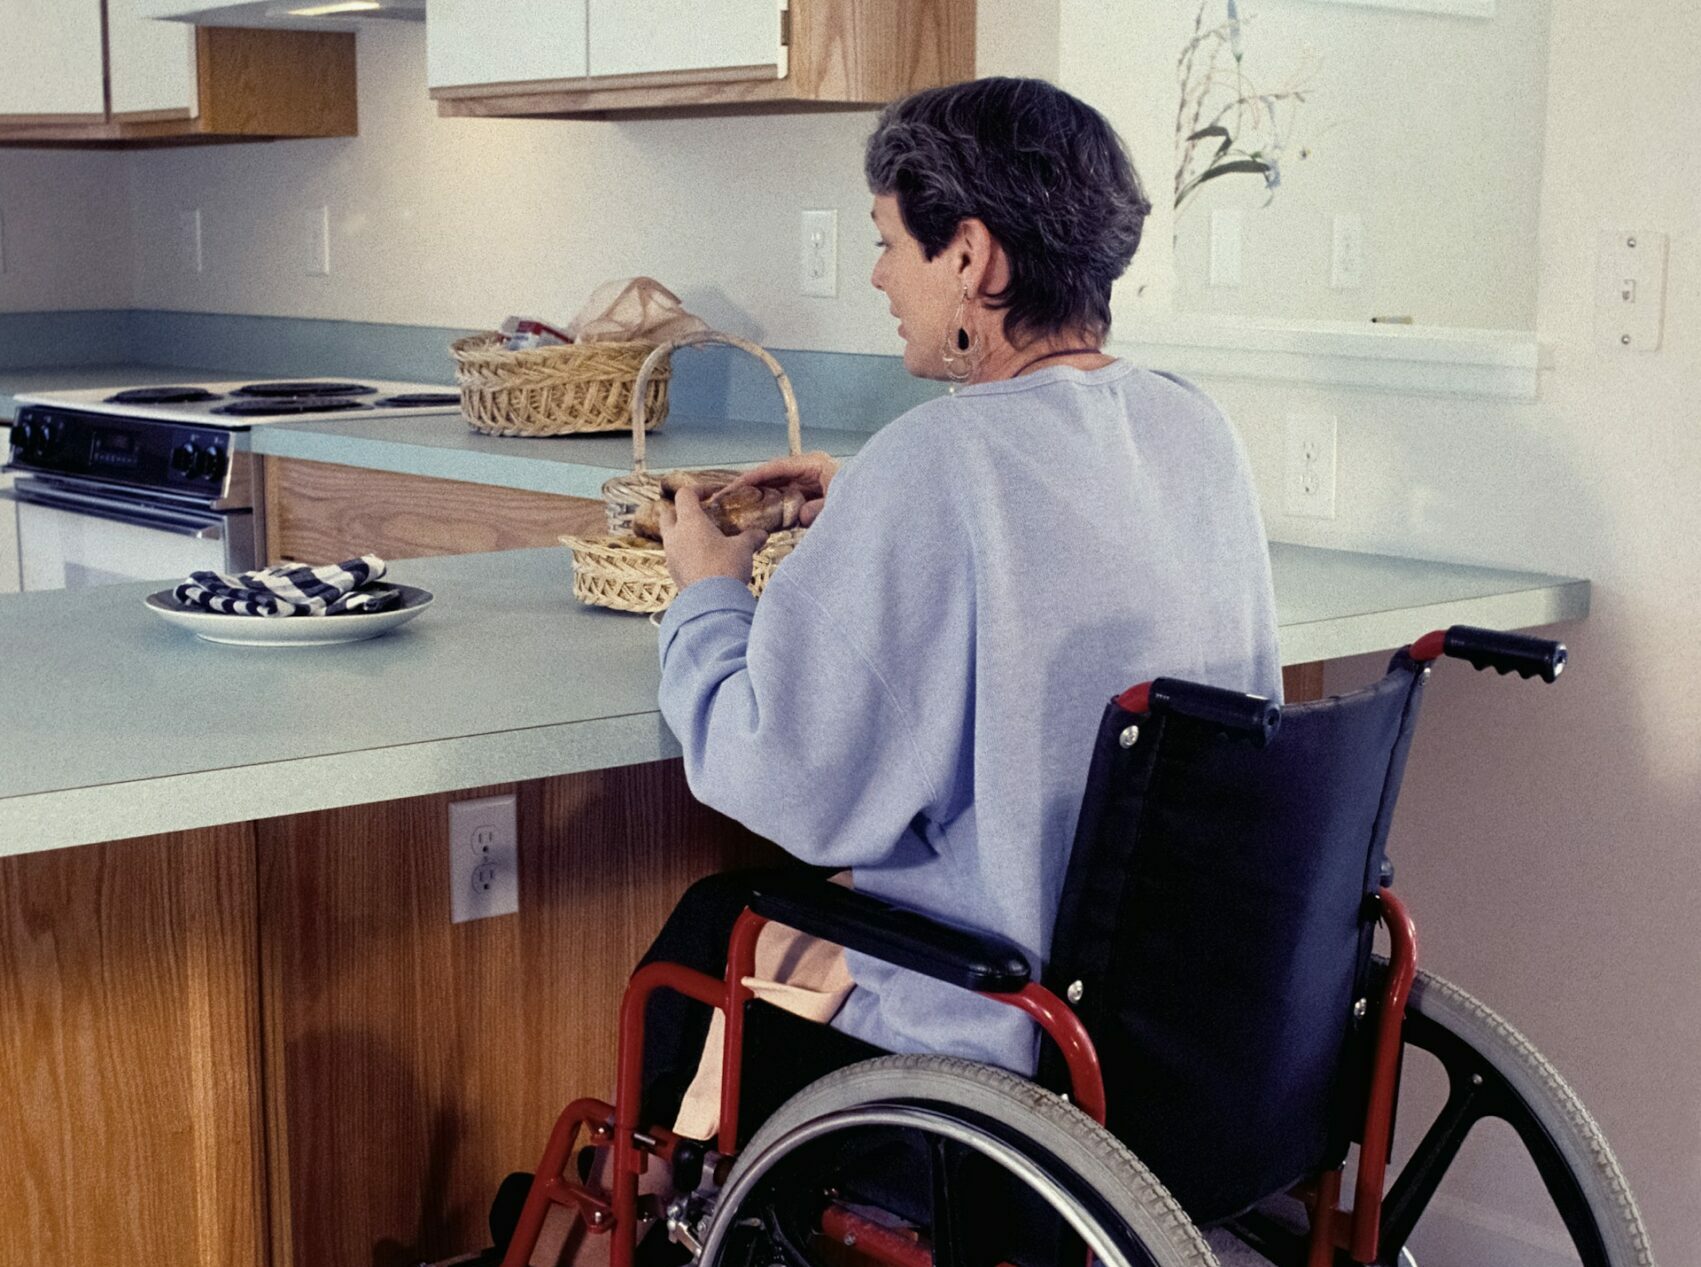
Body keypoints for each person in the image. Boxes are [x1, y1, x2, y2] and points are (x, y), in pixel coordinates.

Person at [651, 75, 1281, 1113]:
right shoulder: (1192, 426)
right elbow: (1069, 559)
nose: (879, 276)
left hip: (1003, 1040)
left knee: (701, 935)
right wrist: (873, 514)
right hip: (1185, 1032)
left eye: (892, 242)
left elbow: (786, 778)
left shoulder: (938, 460)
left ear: (971, 257)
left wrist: (708, 595)